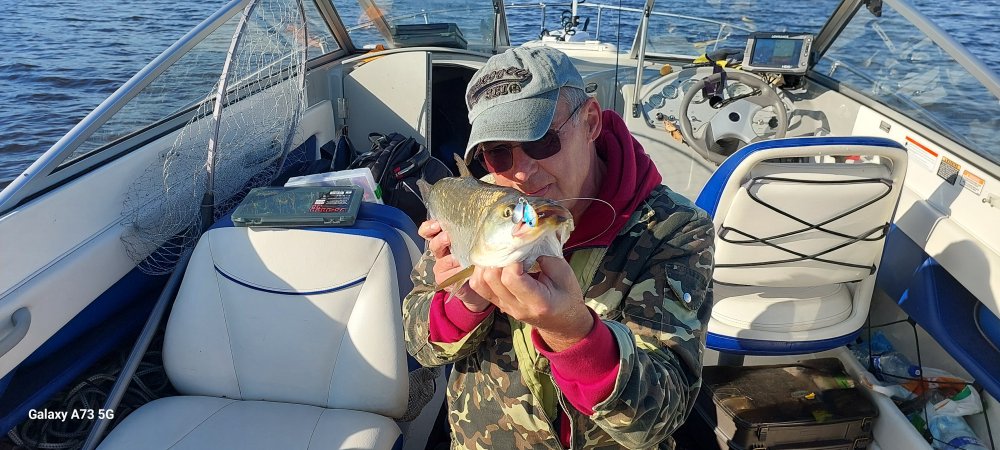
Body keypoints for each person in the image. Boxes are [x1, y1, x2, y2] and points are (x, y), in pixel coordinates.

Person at [403, 45, 715, 449]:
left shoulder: (674, 229)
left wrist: (572, 333)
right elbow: (420, 344)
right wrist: (463, 305)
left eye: (542, 141)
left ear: (590, 122)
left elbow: (661, 416)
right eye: (498, 153)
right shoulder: (482, 209)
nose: (521, 171)